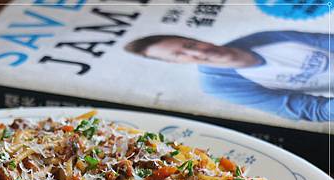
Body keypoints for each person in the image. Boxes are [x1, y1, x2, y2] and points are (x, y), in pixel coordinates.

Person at [125, 31, 332, 122]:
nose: (197, 52)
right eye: (180, 54)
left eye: (190, 45)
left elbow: (326, 40)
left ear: (194, 38)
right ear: (175, 62)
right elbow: (308, 109)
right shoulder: (218, 85)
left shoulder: (262, 37)